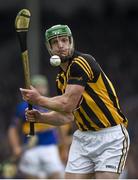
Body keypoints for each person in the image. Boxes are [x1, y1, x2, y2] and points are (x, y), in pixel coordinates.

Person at [20, 25, 130, 179]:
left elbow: (68, 103)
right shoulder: (60, 79)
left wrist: (38, 99)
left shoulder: (82, 62)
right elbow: (67, 116)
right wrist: (41, 117)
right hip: (83, 138)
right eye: (55, 43)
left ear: (71, 42)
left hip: (110, 136)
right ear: (49, 48)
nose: (60, 45)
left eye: (64, 40)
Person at [8, 74, 64, 179]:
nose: (41, 89)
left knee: (56, 175)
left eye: (43, 86)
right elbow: (13, 129)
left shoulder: (51, 104)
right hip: (30, 149)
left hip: (50, 147)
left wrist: (63, 148)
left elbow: (61, 127)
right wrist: (16, 147)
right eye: (38, 86)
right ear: (31, 89)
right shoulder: (23, 107)